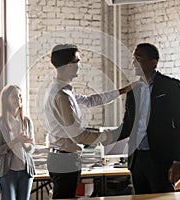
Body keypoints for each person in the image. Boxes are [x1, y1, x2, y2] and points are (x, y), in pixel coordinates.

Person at [44, 43, 132, 199]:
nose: (80, 65)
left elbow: (91, 101)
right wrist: (109, 136)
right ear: (69, 65)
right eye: (77, 61)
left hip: (65, 158)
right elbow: (78, 136)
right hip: (65, 160)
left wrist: (122, 91)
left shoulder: (64, 91)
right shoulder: (61, 95)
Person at [111, 43, 180, 194]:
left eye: (138, 58)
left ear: (154, 62)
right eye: (134, 58)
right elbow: (127, 126)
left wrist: (177, 161)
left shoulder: (170, 86)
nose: (133, 62)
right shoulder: (133, 90)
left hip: (160, 158)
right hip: (137, 159)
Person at [0, 85, 36, 200]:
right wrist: (16, 141)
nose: (18, 99)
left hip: (26, 171)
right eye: (14, 97)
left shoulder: (27, 121)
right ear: (6, 100)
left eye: (20, 96)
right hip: (7, 172)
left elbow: (31, 148)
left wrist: (24, 143)